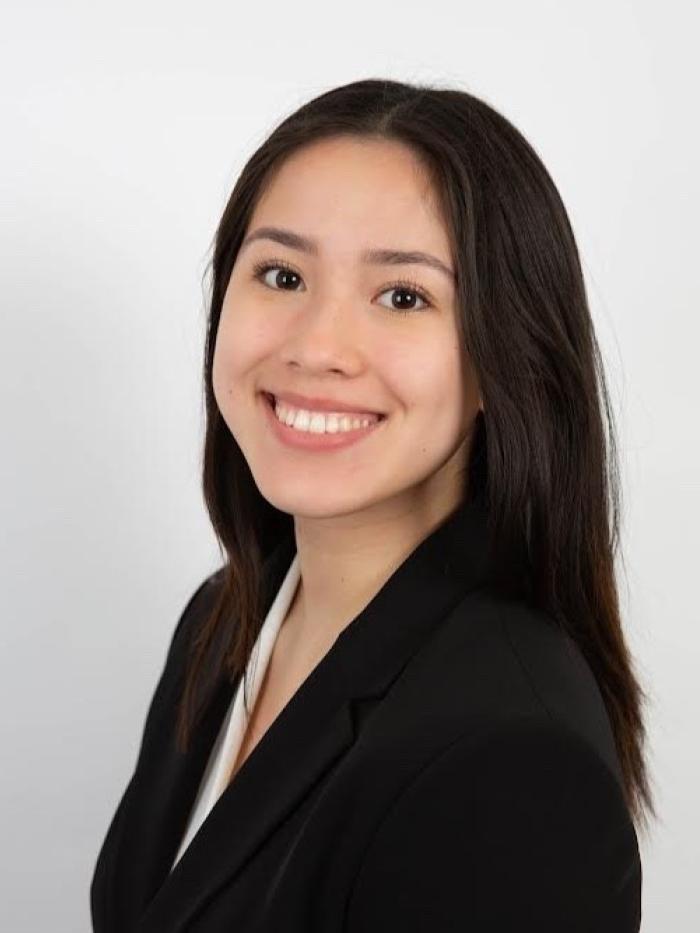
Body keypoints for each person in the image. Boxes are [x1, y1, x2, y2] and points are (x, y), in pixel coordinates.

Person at [90, 78, 654, 932]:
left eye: (403, 296)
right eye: (281, 274)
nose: (317, 347)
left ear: (505, 358)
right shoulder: (224, 621)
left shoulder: (511, 760)